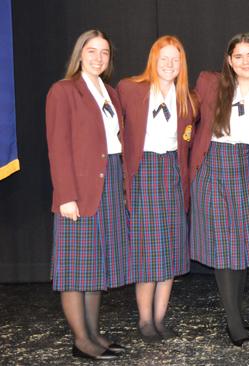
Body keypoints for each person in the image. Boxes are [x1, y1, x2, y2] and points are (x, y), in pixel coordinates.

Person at [45, 29, 128, 360]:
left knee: (98, 267)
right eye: (92, 51)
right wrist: (65, 195)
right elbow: (58, 147)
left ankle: (94, 334)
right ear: (80, 54)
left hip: (106, 186)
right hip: (78, 192)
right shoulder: (63, 91)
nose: (98, 58)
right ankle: (81, 341)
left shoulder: (109, 92)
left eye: (104, 52)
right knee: (75, 270)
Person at [189, 32, 249, 347]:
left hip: (247, 171)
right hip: (213, 168)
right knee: (224, 247)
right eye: (237, 56)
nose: (244, 61)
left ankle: (234, 310)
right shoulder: (210, 84)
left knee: (241, 246)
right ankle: (234, 321)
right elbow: (185, 108)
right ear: (228, 60)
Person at [117, 35, 196, 342]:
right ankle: (145, 320)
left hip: (172, 173)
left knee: (172, 250)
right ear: (153, 59)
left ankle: (161, 319)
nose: (169, 64)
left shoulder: (188, 99)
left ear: (181, 64)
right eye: (163, 58)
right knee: (148, 251)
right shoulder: (129, 89)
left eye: (175, 59)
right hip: (144, 172)